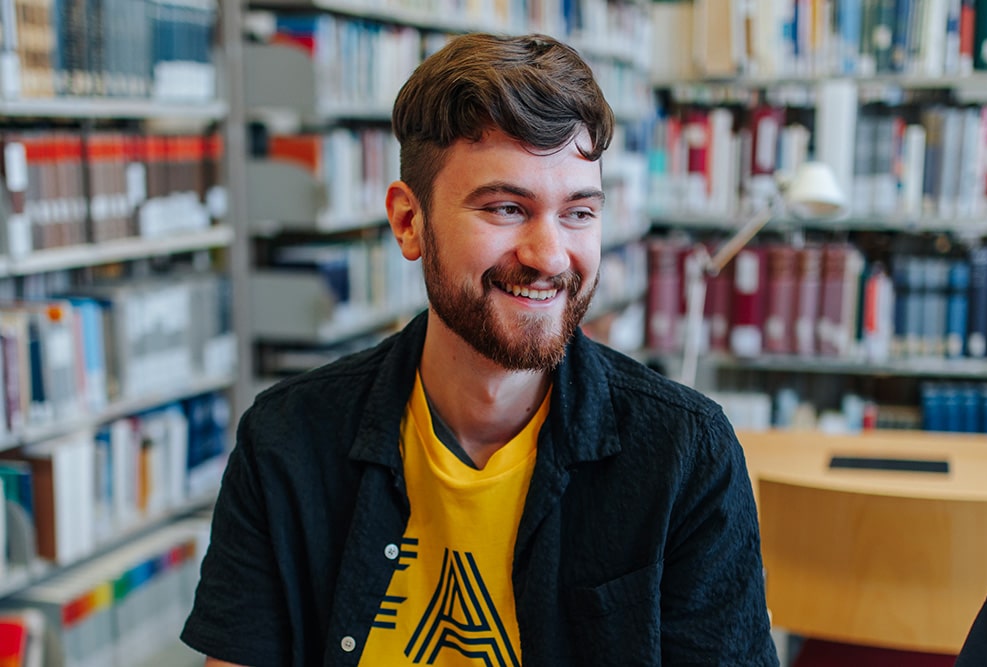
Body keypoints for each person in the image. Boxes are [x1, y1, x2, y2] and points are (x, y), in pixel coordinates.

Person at [180, 32, 777, 666]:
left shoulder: (685, 457)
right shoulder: (285, 444)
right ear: (410, 223)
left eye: (578, 213)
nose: (548, 256)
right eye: (505, 207)